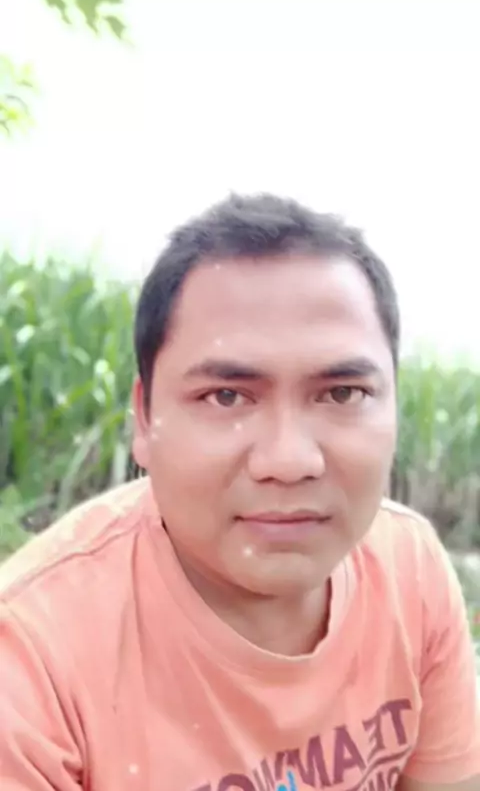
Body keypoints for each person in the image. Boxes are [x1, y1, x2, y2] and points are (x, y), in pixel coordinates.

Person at [0, 194, 478, 791]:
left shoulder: (409, 569)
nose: (289, 461)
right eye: (226, 397)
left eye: (342, 393)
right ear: (143, 419)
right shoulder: (31, 660)